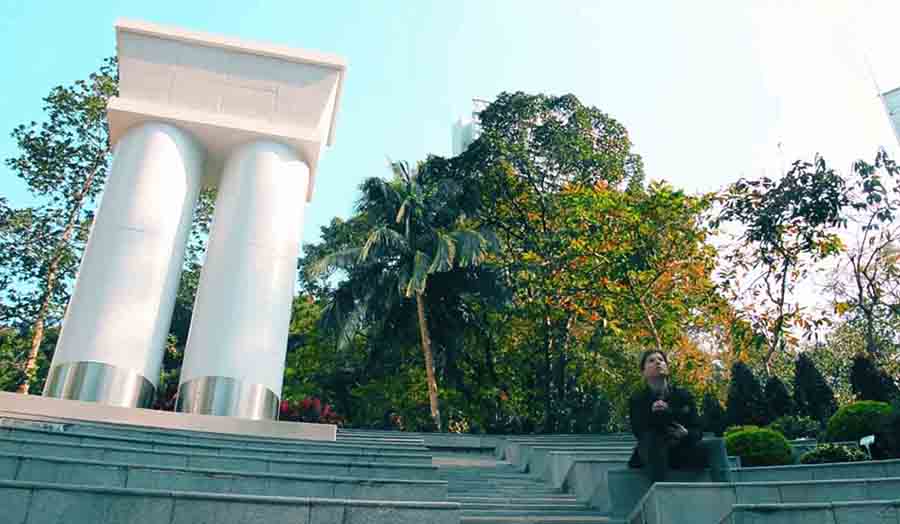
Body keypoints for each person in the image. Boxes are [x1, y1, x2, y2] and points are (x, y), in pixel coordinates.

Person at [628, 349, 707, 482]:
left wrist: (686, 433)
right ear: (643, 372)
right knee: (653, 441)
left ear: (667, 368)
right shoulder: (637, 399)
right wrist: (652, 413)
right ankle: (661, 493)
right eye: (651, 361)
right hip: (652, 452)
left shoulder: (683, 395)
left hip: (682, 449)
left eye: (661, 360)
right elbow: (639, 431)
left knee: (716, 446)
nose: (657, 363)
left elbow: (698, 429)